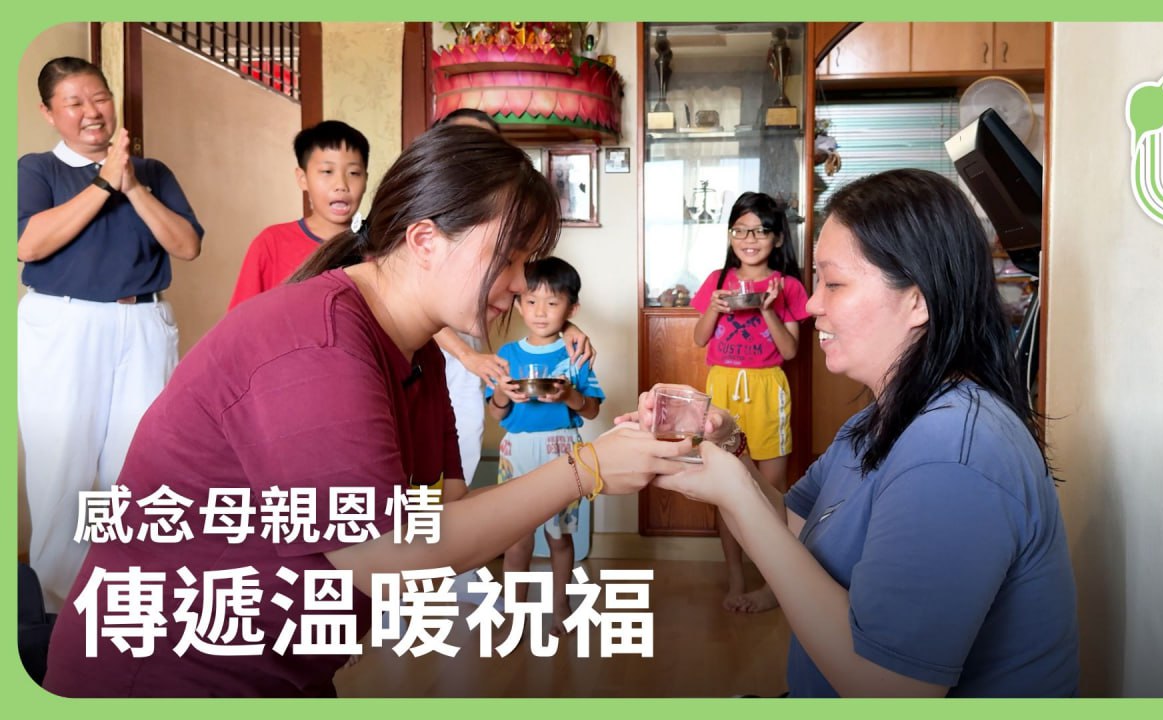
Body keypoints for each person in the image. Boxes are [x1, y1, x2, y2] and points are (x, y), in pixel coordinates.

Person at [41, 125, 691, 697]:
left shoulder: (418, 351)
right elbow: (385, 560)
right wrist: (586, 470)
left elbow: (443, 515)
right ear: (425, 239)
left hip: (279, 673)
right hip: (164, 677)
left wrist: (600, 461)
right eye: (512, 257)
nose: (523, 284)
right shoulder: (320, 342)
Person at [645, 168, 1079, 697]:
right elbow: (793, 524)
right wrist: (730, 449)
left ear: (918, 300)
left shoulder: (953, 456)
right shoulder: (879, 419)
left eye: (834, 283)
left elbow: (889, 690)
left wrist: (734, 491)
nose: (812, 305)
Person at [17, 56, 204, 612]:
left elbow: (187, 245)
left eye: (99, 97)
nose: (92, 111)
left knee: (141, 464)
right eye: (74, 103)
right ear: (49, 113)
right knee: (62, 468)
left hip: (143, 322)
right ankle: (57, 613)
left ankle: (130, 600)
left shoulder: (153, 172)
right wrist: (104, 182)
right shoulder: (37, 170)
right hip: (64, 325)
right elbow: (29, 244)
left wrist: (133, 185)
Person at [433, 107, 595, 487]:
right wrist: (467, 356)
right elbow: (418, 305)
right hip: (441, 362)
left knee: (459, 464)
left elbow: (532, 288)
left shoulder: (499, 218)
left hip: (467, 367)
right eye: (465, 147)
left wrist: (564, 327)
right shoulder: (429, 216)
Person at [691, 191, 809, 612]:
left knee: (770, 490)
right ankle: (736, 577)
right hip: (722, 388)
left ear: (778, 238)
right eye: (740, 230)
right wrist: (714, 309)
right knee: (728, 486)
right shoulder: (717, 281)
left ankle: (775, 582)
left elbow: (790, 351)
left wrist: (768, 310)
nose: (749, 239)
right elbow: (700, 339)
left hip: (766, 389)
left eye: (760, 231)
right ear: (730, 236)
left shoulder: (787, 286)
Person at [485, 257, 604, 636]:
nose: (540, 312)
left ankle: (561, 605)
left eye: (552, 303)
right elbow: (496, 413)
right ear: (519, 304)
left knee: (559, 537)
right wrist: (503, 395)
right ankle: (514, 613)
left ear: (572, 309)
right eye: (531, 301)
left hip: (563, 452)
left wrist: (569, 396)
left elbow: (592, 409)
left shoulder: (576, 354)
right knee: (516, 542)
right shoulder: (507, 355)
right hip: (517, 452)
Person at [226, 120, 370, 310]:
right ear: (303, 179)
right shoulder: (271, 243)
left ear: (366, 180)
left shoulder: (379, 245)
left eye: (354, 173)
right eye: (327, 171)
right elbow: (242, 319)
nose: (341, 185)